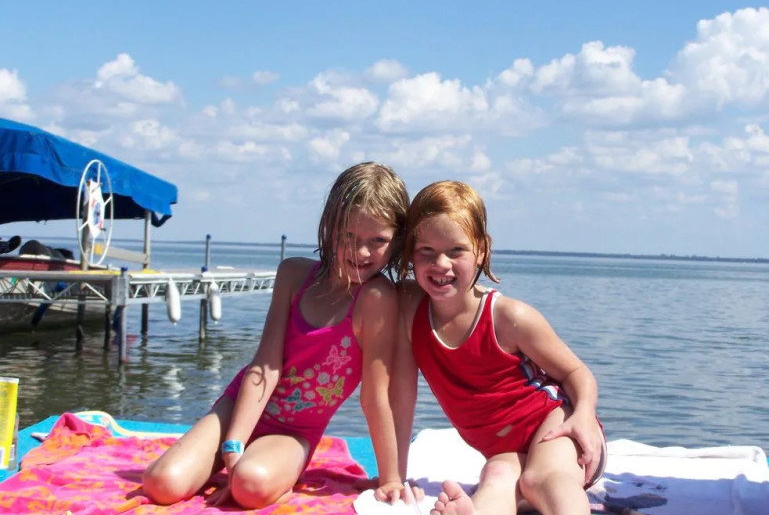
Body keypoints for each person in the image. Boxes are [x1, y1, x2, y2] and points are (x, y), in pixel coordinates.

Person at [143, 162, 411, 509]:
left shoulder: (376, 299)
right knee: (160, 484)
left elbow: (375, 397)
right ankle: (229, 459)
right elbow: (265, 366)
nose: (361, 253)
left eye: (377, 241)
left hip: (295, 431)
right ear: (329, 228)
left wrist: (390, 478)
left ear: (396, 240)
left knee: (249, 486)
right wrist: (233, 445)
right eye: (348, 237)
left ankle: (272, 475)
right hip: (240, 406)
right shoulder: (293, 276)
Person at [391, 180, 606, 515]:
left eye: (456, 250)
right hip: (503, 450)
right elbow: (400, 395)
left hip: (556, 424)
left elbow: (576, 371)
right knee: (497, 475)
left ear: (481, 250)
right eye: (426, 252)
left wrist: (583, 416)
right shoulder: (409, 310)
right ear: (410, 253)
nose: (441, 264)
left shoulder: (507, 317)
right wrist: (395, 474)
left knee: (541, 478)